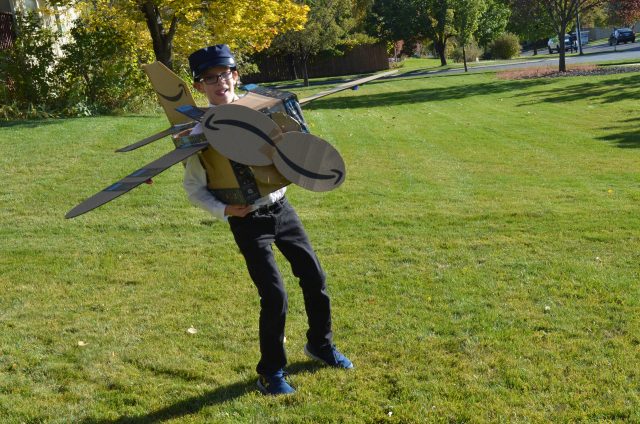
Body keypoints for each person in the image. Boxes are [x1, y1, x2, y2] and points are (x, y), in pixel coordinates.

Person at [182, 45, 353, 396]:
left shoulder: (260, 108)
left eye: (225, 74)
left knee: (314, 276)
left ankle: (320, 345)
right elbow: (194, 189)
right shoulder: (200, 136)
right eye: (209, 78)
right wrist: (227, 211)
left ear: (236, 76)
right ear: (199, 87)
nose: (219, 83)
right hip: (248, 220)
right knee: (274, 296)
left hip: (281, 208)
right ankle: (270, 371)